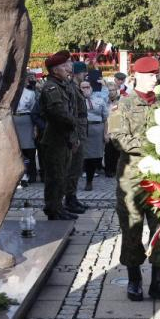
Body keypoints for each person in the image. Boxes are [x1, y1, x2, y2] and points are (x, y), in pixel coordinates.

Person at [108, 56, 160, 302]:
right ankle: (134, 279)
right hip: (133, 180)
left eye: (155, 74)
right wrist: (154, 143)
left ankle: (159, 281)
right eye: (149, 75)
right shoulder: (124, 105)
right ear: (136, 75)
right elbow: (118, 139)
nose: (154, 79)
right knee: (132, 229)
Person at [39, 51, 78, 220]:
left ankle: (58, 206)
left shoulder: (62, 85)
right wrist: (74, 122)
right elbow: (59, 113)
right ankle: (53, 208)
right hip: (55, 138)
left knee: (62, 175)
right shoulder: (51, 87)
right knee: (55, 176)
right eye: (63, 66)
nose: (67, 69)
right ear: (55, 70)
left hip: (64, 137)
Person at [65, 61, 89, 214]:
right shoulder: (72, 89)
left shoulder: (75, 89)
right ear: (76, 73)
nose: (85, 75)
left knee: (77, 167)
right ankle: (69, 199)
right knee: (73, 168)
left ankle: (72, 197)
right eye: (82, 73)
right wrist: (74, 138)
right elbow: (72, 114)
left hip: (81, 130)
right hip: (77, 132)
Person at [80, 80, 109, 190]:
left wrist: (106, 133)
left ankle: (90, 177)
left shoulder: (100, 100)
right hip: (84, 129)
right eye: (83, 87)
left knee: (95, 157)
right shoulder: (77, 101)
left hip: (97, 129)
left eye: (88, 86)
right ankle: (87, 180)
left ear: (91, 88)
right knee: (85, 157)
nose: (86, 89)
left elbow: (105, 118)